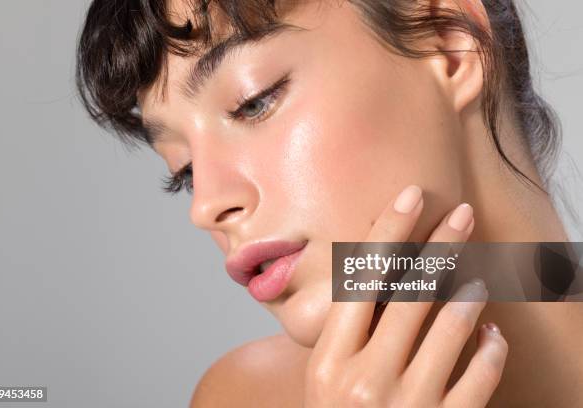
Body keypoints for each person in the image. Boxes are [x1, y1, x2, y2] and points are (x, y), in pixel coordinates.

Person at [75, 0, 583, 406]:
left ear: (451, 45)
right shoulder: (243, 396)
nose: (205, 205)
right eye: (184, 170)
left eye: (253, 101)